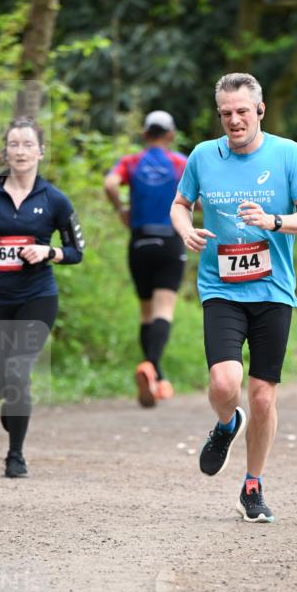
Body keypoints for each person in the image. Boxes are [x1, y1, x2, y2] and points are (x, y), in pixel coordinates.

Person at [170, 73, 297, 522]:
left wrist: (273, 221)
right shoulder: (203, 155)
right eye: (226, 113)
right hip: (221, 287)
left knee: (262, 397)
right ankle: (226, 424)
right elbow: (180, 205)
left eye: (242, 112)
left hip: (273, 289)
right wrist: (185, 230)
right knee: (224, 384)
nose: (234, 120)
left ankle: (252, 485)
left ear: (260, 111)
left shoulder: (287, 153)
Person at [0, 116, 84, 478]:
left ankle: (15, 455)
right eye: (14, 144)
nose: (21, 151)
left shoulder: (55, 199)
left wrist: (49, 252)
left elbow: (76, 250)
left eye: (28, 144)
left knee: (18, 371)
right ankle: (12, 404)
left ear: (41, 152)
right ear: (5, 151)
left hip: (38, 297)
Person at [104, 110, 187, 407]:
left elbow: (110, 184)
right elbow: (200, 197)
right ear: (171, 134)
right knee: (164, 310)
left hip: (139, 242)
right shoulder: (180, 163)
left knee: (146, 312)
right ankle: (151, 365)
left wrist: (121, 210)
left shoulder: (131, 162)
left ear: (144, 134)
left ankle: (157, 376)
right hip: (169, 241)